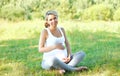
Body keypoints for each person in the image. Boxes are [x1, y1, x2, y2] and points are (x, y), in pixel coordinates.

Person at [38, 10, 88, 74]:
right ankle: (74, 69)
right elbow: (40, 49)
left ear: (57, 18)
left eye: (55, 18)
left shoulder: (61, 29)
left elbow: (67, 43)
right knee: (53, 60)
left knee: (81, 54)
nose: (53, 21)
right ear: (47, 21)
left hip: (64, 60)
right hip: (49, 61)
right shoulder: (45, 31)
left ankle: (62, 69)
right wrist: (55, 46)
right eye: (50, 20)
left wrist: (69, 55)